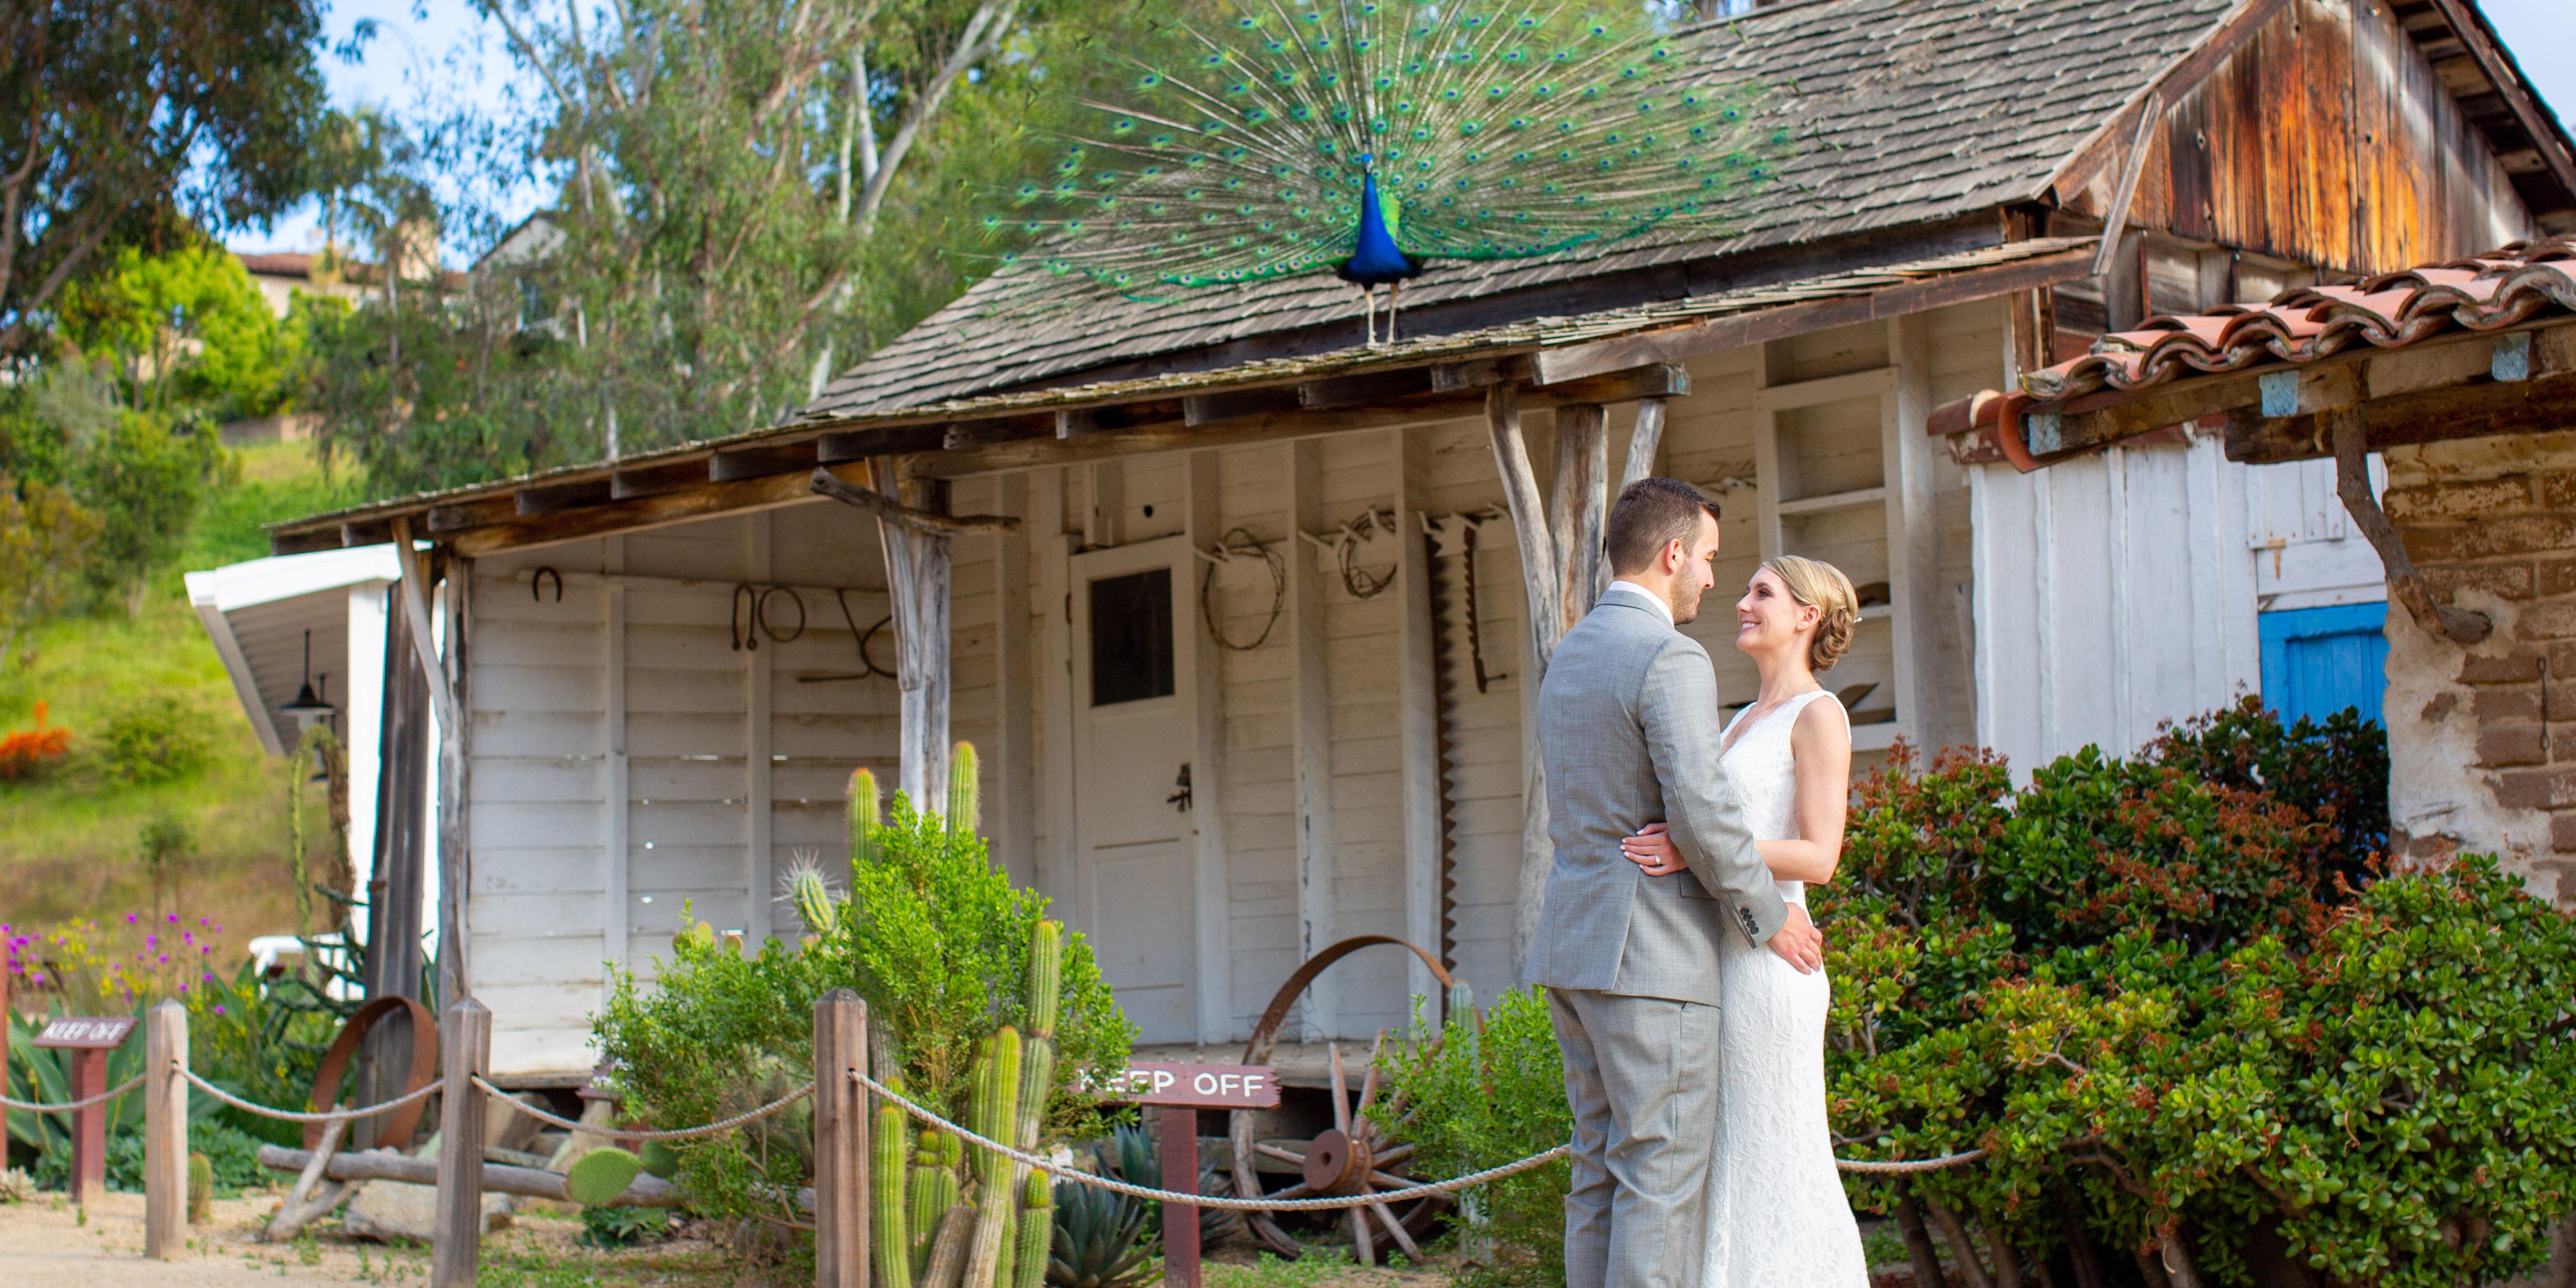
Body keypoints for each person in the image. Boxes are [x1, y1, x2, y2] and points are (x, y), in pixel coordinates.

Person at [1528, 478, 1826, 1288]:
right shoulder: (1669, 655)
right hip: (1652, 959)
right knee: (1657, 1180)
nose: (1710, 579)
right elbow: (1700, 813)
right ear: (1671, 554)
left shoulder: (1570, 655)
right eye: (1707, 559)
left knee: (1596, 1170)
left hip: (1573, 947)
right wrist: (1772, 917)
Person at [1619, 555, 1871, 1287]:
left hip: (1771, 964)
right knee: (1725, 1158)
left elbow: (1820, 855)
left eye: (1763, 592)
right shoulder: (1739, 722)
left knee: (1776, 1152)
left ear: (1807, 615)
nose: (1742, 603)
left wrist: (1696, 846)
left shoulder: (1820, 714)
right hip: (1718, 958)